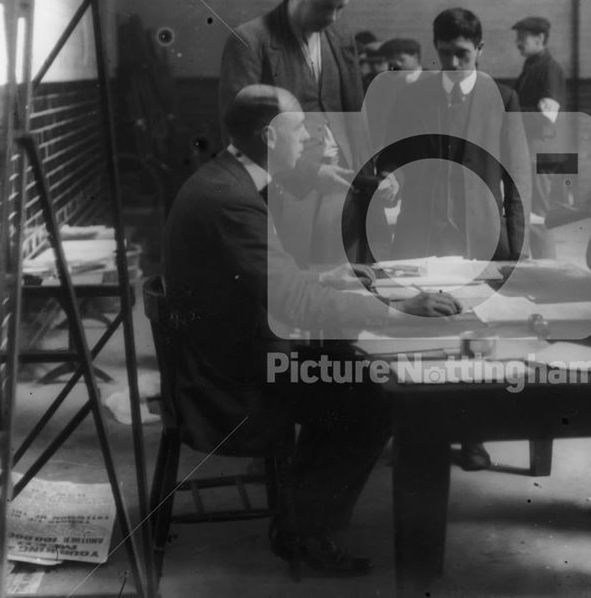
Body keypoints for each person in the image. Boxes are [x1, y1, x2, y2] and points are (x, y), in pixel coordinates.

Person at [164, 84, 461, 576]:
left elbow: (267, 279)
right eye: (299, 127)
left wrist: (328, 278)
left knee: (352, 370)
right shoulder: (231, 202)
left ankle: (302, 514)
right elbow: (292, 301)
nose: (308, 137)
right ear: (270, 135)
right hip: (229, 380)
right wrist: (401, 309)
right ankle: (306, 530)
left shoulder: (227, 180)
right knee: (373, 393)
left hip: (229, 350)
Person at [379, 8, 532, 470]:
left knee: (476, 340)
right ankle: (421, 434)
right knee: (423, 338)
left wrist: (517, 251)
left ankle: (472, 436)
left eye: (462, 55)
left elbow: (519, 179)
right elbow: (392, 160)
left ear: (480, 51)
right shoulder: (411, 97)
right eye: (444, 54)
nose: (452, 63)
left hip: (481, 240)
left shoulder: (503, 98)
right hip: (418, 237)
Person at [218, 0, 394, 267]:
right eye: (325, 6)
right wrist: (310, 174)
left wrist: (372, 177)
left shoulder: (340, 38)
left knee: (346, 282)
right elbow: (241, 134)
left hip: (344, 182)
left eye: (341, 8)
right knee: (298, 288)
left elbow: (355, 114)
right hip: (287, 188)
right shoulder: (249, 41)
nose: (333, 17)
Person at [511, 16, 567, 258]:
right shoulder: (533, 65)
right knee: (531, 214)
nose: (517, 43)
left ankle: (549, 272)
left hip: (540, 151)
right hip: (532, 150)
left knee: (537, 216)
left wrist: (511, 115)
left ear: (540, 38)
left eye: (522, 37)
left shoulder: (548, 68)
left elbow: (547, 115)